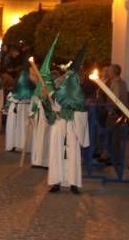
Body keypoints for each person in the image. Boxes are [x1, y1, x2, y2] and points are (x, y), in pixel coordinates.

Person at [47, 45, 89, 194]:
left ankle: (73, 183)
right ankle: (56, 182)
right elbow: (51, 109)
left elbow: (82, 112)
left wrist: (73, 114)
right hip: (59, 125)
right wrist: (52, 104)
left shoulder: (79, 95)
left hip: (72, 126)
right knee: (57, 153)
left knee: (73, 154)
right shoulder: (57, 91)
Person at [31, 36, 58, 167]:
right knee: (37, 139)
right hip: (38, 120)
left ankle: (45, 162)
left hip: (48, 121)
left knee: (46, 140)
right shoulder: (40, 89)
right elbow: (35, 100)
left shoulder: (51, 91)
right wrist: (32, 110)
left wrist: (47, 98)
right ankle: (37, 160)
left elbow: (53, 106)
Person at [5, 64, 34, 152]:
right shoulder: (32, 88)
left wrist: (6, 107)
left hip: (17, 108)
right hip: (23, 109)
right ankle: (19, 145)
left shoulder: (17, 88)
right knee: (21, 127)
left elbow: (9, 97)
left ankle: (16, 145)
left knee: (16, 126)